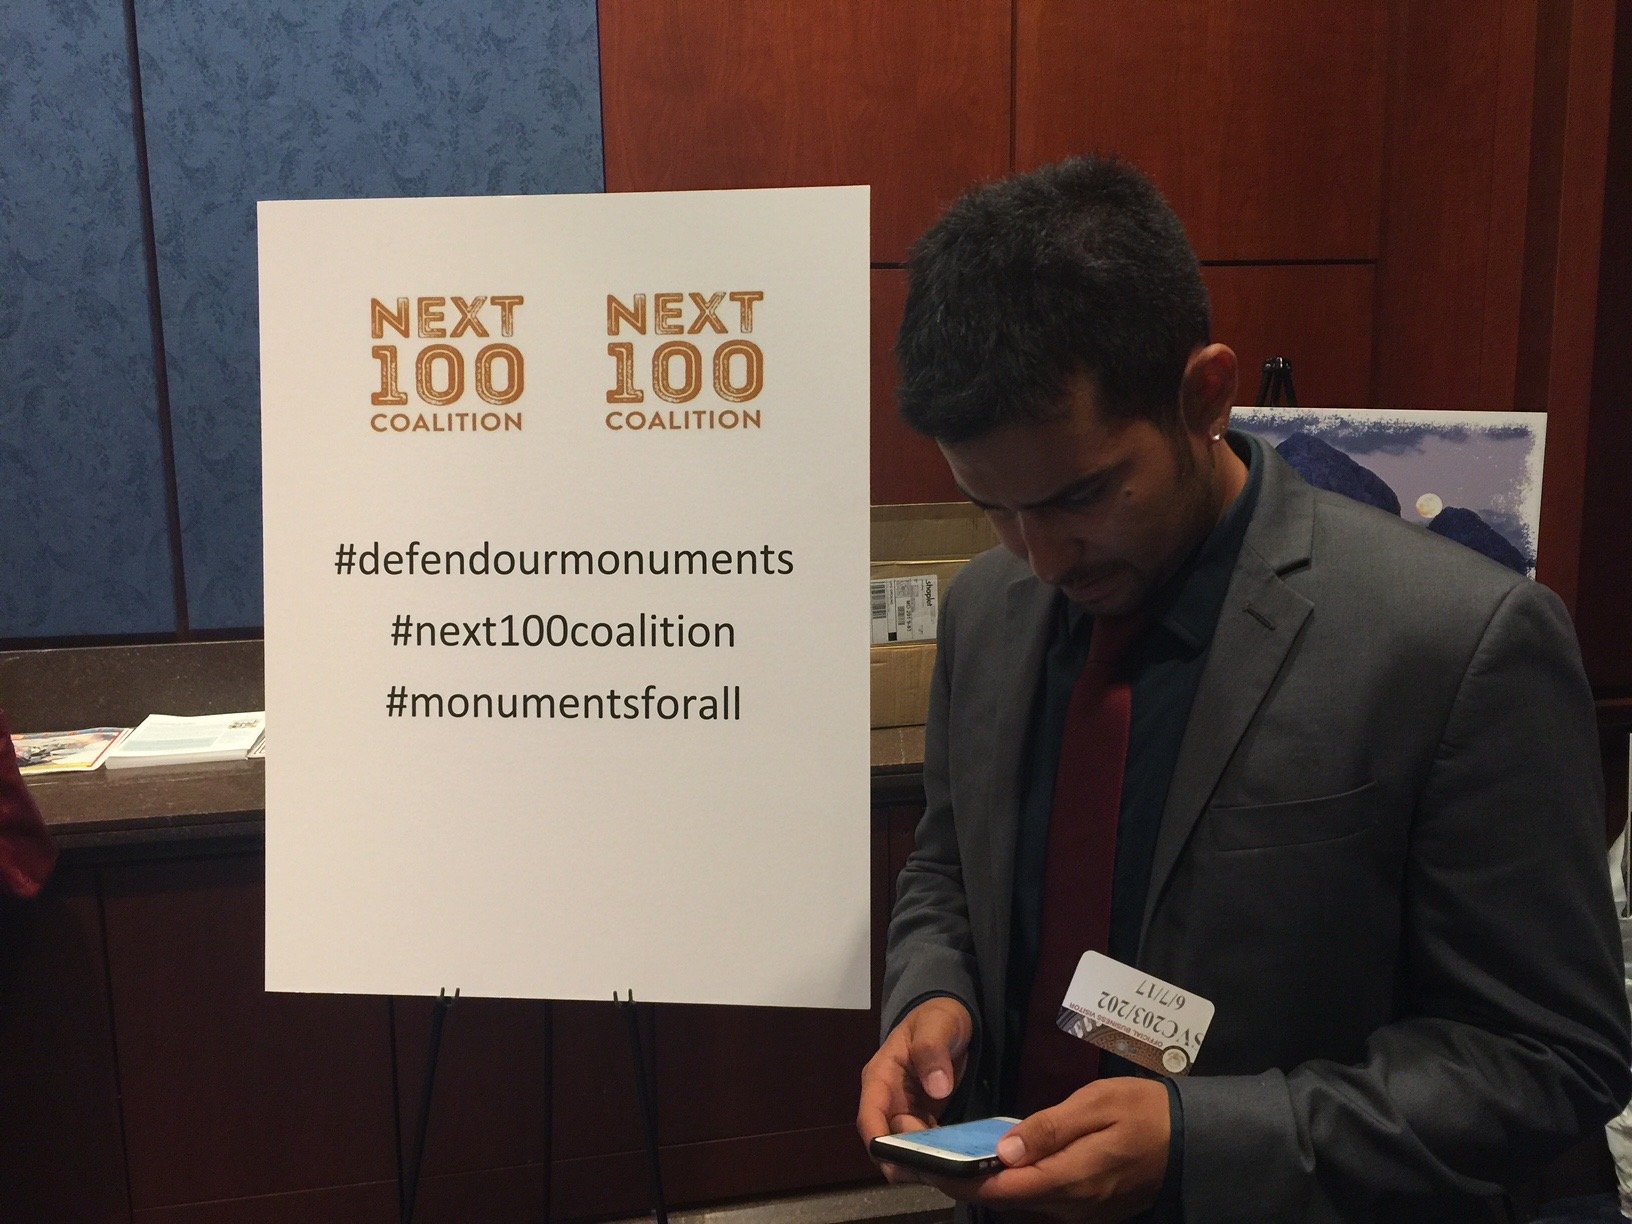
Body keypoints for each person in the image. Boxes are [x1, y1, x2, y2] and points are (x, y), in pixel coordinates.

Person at [857, 157, 1632, 1222]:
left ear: (1205, 395)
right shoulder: (991, 612)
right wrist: (932, 995)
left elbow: (1553, 1058)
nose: (1038, 558)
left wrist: (1200, 1141)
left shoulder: (1457, 644)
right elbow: (949, 864)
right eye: (991, 506)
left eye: (1081, 494)